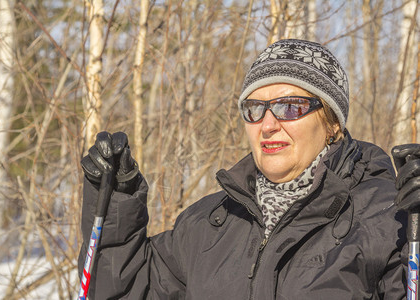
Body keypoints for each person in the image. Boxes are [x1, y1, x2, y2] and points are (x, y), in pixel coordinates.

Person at [78, 39, 420, 299]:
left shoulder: (391, 218)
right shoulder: (207, 224)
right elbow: (124, 290)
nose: (267, 125)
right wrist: (115, 203)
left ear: (332, 123)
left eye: (290, 106)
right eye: (255, 108)